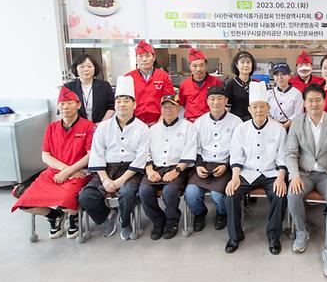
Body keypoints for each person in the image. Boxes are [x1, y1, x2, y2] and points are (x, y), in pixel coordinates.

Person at [12, 87, 95, 239]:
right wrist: (64, 170)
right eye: (62, 104)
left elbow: (90, 156)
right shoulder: (51, 128)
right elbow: (46, 156)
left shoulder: (88, 127)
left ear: (78, 105)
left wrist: (68, 173)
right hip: (53, 173)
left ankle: (74, 216)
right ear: (58, 107)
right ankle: (54, 216)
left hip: (79, 173)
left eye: (70, 103)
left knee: (65, 201)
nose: (66, 107)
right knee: (25, 203)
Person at [287, 84, 327, 278]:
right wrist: (294, 176)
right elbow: (291, 153)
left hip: (325, 174)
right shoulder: (297, 123)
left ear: (325, 101)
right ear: (304, 103)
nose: (314, 104)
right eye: (310, 100)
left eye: (318, 100)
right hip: (304, 173)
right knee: (293, 193)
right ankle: (301, 231)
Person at [78, 76, 149, 240]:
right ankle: (108, 216)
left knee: (127, 192)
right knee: (86, 196)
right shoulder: (103, 127)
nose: (122, 104)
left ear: (134, 104)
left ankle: (125, 222)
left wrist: (118, 182)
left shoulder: (142, 128)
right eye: (118, 101)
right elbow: (97, 154)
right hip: (106, 169)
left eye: (126, 101)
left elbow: (140, 159)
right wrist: (104, 179)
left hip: (131, 170)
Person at [224, 81, 288, 255]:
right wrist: (235, 177)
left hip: (271, 172)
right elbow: (236, 156)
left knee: (280, 194)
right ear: (249, 109)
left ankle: (274, 237)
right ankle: (235, 236)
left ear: (268, 108)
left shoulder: (278, 130)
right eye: (255, 107)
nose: (258, 110)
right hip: (247, 172)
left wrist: (281, 178)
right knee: (230, 194)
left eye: (262, 106)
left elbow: (283, 157)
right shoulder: (241, 129)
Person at [138, 93, 197, 240]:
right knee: (144, 191)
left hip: (178, 168)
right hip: (155, 168)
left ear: (179, 109)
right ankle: (158, 221)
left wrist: (176, 171)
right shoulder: (152, 129)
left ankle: (172, 222)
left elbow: (189, 151)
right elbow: (145, 152)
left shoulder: (188, 127)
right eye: (165, 107)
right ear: (161, 109)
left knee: (170, 191)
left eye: (172, 107)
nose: (168, 110)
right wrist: (149, 170)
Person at [185, 86, 242, 232]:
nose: (216, 102)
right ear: (207, 101)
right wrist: (198, 166)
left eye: (219, 98)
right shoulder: (199, 122)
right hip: (204, 164)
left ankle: (221, 213)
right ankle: (199, 213)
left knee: (218, 195)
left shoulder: (237, 122)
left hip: (226, 164)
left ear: (226, 101)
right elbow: (194, 148)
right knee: (190, 194)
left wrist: (226, 166)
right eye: (212, 99)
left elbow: (239, 150)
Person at [125, 40, 174, 126]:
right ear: (136, 58)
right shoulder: (128, 77)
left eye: (147, 56)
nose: (144, 59)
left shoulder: (163, 76)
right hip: (135, 123)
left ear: (154, 57)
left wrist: (160, 123)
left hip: (159, 121)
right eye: (140, 56)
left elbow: (169, 101)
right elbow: (124, 103)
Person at [64, 53, 114, 123]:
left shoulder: (104, 86)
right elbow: (66, 110)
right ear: (76, 69)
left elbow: (111, 107)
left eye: (89, 66)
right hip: (78, 127)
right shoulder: (69, 87)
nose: (86, 69)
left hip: (100, 126)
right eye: (82, 67)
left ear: (94, 68)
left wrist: (102, 124)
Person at [178, 48, 223, 122]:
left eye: (201, 65)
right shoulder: (184, 84)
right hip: (191, 121)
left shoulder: (216, 82)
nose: (198, 69)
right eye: (194, 66)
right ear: (190, 67)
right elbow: (183, 103)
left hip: (211, 121)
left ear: (206, 66)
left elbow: (221, 101)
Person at [267, 62, 304, 130]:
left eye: (283, 74)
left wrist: (284, 126)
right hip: (273, 128)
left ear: (289, 75)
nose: (280, 77)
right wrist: (276, 125)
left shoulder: (297, 93)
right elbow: (267, 113)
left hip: (291, 128)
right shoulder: (269, 93)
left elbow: (298, 114)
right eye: (276, 75)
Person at [224, 50, 256, 121]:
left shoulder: (255, 83)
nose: (245, 65)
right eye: (242, 62)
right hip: (236, 122)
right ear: (237, 65)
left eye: (248, 62)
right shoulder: (230, 84)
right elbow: (227, 108)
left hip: (254, 122)